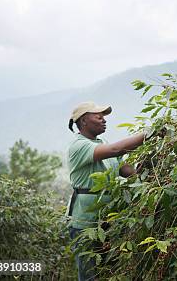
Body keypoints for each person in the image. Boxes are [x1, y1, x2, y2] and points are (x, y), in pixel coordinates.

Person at [66, 102, 150, 281]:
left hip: (109, 220)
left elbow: (124, 169)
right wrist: (148, 134)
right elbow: (116, 150)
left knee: (111, 272)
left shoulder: (102, 142)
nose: (104, 120)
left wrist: (146, 175)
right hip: (85, 224)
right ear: (83, 121)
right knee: (90, 275)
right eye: (98, 116)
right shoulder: (79, 145)